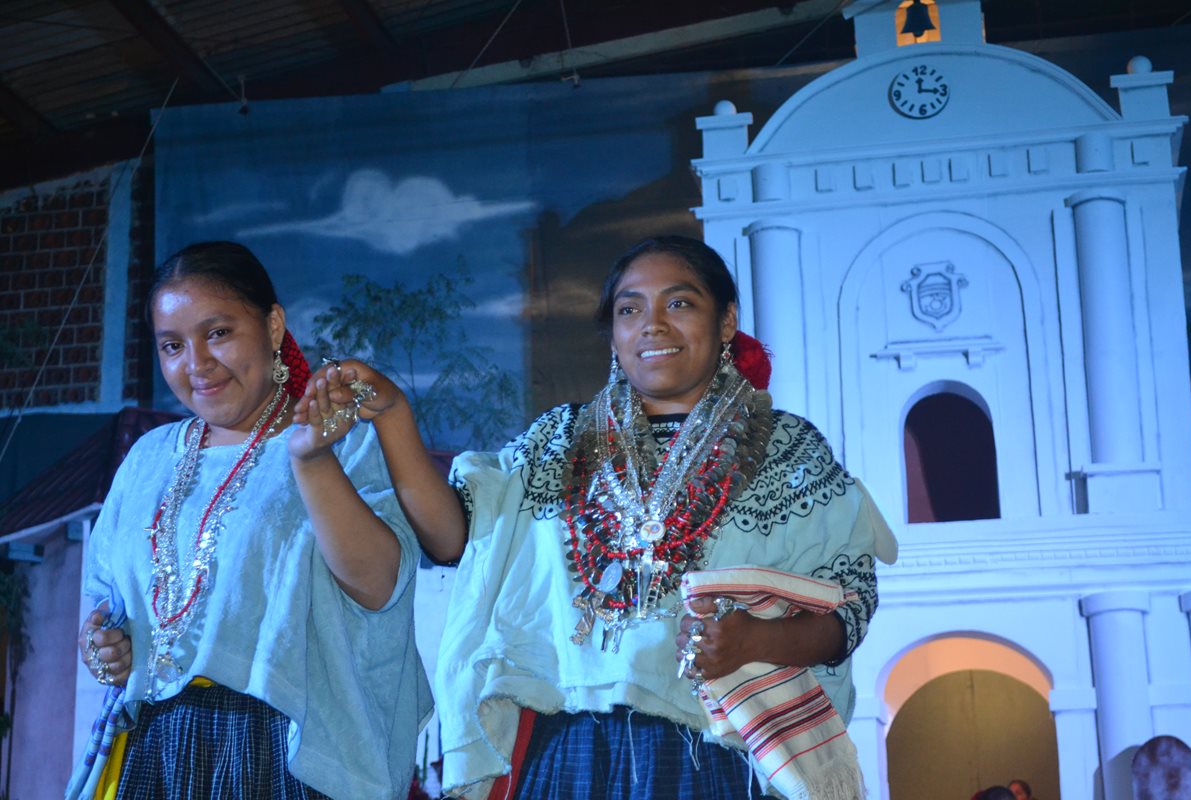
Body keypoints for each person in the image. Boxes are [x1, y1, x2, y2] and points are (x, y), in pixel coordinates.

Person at [307, 235, 896, 799]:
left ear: (725, 323)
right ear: (613, 335)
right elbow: (456, 536)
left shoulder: (786, 449)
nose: (653, 324)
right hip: (567, 750)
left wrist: (754, 638)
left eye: (681, 303)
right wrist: (392, 414)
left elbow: (849, 605)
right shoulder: (557, 441)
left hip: (713, 755)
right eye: (629, 309)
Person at [67, 241, 443, 799]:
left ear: (272, 326)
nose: (196, 364)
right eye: (173, 345)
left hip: (276, 749)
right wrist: (106, 646)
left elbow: (379, 586)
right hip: (153, 749)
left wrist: (311, 458)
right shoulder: (148, 457)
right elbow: (106, 598)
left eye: (217, 333)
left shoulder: (341, 443)